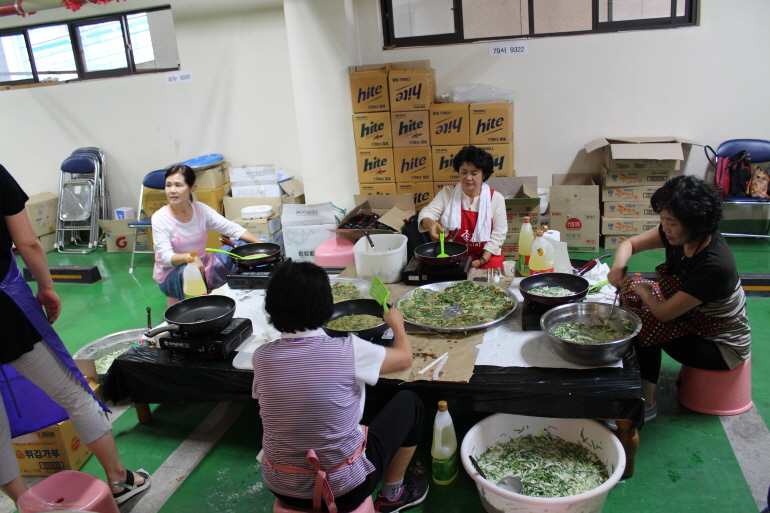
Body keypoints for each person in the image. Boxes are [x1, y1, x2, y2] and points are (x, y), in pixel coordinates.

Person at [0, 164, 150, 506]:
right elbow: (28, 243)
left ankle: (24, 503)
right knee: (73, 394)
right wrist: (46, 287)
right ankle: (119, 479)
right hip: (6, 313)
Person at [253, 261, 428, 513]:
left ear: (271, 309)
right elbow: (404, 358)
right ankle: (393, 494)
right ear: (327, 307)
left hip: (281, 485)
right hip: (346, 488)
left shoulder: (261, 357)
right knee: (410, 402)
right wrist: (397, 324)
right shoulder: (349, 349)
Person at [608, 175, 751, 424]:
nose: (665, 228)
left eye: (671, 222)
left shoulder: (714, 264)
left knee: (643, 319)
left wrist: (644, 291)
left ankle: (646, 403)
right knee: (632, 294)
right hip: (694, 319)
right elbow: (629, 244)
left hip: (719, 345)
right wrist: (618, 267)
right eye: (662, 219)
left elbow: (663, 314)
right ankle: (637, 376)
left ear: (694, 222)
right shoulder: (678, 234)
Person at [152, 164, 262, 304]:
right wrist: (190, 258)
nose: (172, 190)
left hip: (204, 266)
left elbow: (231, 228)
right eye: (168, 185)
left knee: (242, 246)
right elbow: (167, 257)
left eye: (178, 185)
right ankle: (198, 305)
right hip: (174, 274)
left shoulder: (201, 210)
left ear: (191, 188)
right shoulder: (160, 218)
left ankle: (238, 292)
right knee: (190, 268)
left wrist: (260, 245)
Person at [418, 145, 507, 269]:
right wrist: (431, 223)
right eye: (464, 172)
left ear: (484, 175)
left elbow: (499, 234)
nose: (468, 178)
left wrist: (482, 260)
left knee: (494, 273)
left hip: (485, 255)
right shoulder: (447, 193)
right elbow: (427, 213)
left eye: (474, 173)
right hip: (453, 254)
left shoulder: (496, 198)